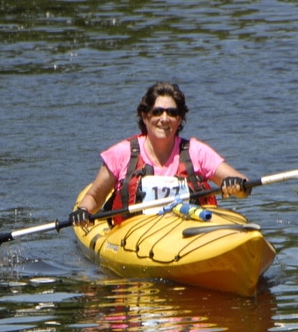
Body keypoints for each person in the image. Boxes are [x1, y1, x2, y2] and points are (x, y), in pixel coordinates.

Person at [69, 82, 250, 226]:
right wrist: (83, 211)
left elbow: (244, 188)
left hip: (190, 232)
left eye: (172, 113)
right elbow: (94, 197)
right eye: (157, 112)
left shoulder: (197, 152)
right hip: (135, 236)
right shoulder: (122, 153)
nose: (164, 119)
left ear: (179, 119)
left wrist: (235, 184)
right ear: (145, 116)